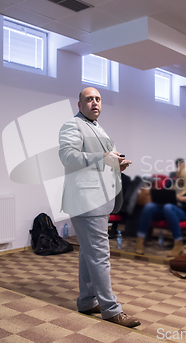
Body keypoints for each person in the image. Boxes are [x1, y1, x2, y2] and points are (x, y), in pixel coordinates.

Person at [59, 87, 140, 328]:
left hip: (99, 199)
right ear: (79, 104)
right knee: (100, 254)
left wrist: (116, 166)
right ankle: (111, 309)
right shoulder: (72, 125)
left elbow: (101, 161)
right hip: (86, 200)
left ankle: (86, 301)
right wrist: (102, 158)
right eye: (89, 99)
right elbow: (68, 157)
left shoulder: (98, 128)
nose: (95, 103)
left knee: (88, 252)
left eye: (98, 99)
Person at [136, 161, 186, 257]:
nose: (178, 180)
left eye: (181, 178)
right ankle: (140, 240)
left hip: (182, 211)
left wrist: (179, 198)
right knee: (149, 206)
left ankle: (178, 243)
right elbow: (164, 194)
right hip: (165, 208)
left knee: (168, 207)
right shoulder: (171, 182)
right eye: (177, 177)